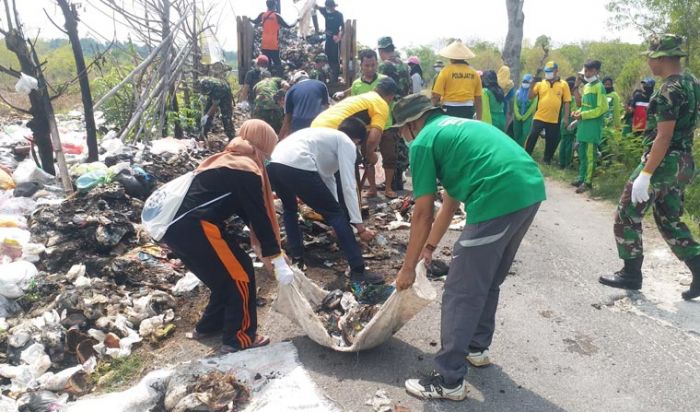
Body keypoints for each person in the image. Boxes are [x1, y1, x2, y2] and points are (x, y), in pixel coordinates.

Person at [390, 94, 546, 401]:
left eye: (400, 131)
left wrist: (407, 269)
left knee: (461, 290)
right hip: (529, 190)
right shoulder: (455, 128)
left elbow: (422, 212)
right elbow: (449, 202)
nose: (402, 137)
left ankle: (449, 381)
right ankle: (476, 347)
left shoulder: (422, 142)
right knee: (487, 279)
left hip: (498, 197)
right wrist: (429, 247)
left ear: (410, 125)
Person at [160, 120, 294, 354]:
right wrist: (277, 257)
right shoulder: (245, 169)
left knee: (224, 277)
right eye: (268, 152)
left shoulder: (225, 159)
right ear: (262, 145)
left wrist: (272, 250)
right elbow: (258, 216)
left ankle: (210, 326)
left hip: (174, 229)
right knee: (240, 274)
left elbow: (246, 212)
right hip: (197, 226)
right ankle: (239, 337)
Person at [600, 34, 700, 301]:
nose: (649, 61)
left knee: (626, 210)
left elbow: (663, 137)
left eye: (652, 57)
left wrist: (645, 174)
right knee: (669, 219)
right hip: (683, 162)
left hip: (663, 161)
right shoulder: (691, 82)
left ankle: (631, 273)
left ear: (663, 58)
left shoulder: (668, 90)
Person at [269, 118, 384, 284]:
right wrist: (359, 227)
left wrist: (334, 221)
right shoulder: (347, 142)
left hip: (274, 164)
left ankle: (297, 256)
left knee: (290, 208)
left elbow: (328, 179)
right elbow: (348, 185)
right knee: (337, 214)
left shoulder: (324, 138)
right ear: (358, 140)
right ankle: (358, 270)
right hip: (297, 164)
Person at [311, 77, 399, 198]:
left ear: (375, 88)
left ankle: (336, 202)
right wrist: (370, 154)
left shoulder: (364, 98)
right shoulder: (381, 104)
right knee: (352, 163)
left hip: (315, 127)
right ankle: (353, 202)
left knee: (331, 172)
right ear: (391, 96)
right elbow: (374, 138)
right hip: (333, 131)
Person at [377, 36, 411, 198]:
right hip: (404, 107)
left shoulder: (385, 66)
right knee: (400, 140)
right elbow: (410, 88)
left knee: (389, 142)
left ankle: (392, 180)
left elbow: (381, 88)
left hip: (390, 107)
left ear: (381, 50)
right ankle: (398, 177)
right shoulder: (404, 65)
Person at [570, 60, 608, 193]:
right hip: (583, 127)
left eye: (590, 71)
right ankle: (581, 178)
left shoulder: (599, 87)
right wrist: (577, 113)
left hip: (592, 128)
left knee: (591, 156)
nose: (586, 73)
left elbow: (602, 109)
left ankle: (588, 182)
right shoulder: (586, 87)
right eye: (585, 71)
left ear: (597, 71)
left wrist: (583, 115)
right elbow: (584, 106)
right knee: (582, 154)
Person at [525, 61, 572, 164]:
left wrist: (566, 117)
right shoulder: (540, 83)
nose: (548, 73)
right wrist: (532, 82)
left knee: (551, 140)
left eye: (550, 71)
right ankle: (526, 156)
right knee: (532, 136)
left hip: (554, 118)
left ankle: (547, 159)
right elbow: (530, 96)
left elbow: (567, 102)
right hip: (539, 116)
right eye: (546, 71)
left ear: (556, 71)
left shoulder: (563, 84)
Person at [432, 40, 482, 120]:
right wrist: (479, 119)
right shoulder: (474, 73)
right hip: (468, 109)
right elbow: (478, 98)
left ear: (451, 57)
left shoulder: (445, 71)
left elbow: (436, 95)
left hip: (449, 109)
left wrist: (430, 111)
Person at [278, 70, 329, 138]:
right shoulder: (321, 85)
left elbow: (287, 120)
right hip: (318, 124)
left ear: (295, 81)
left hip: (299, 128)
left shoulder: (291, 91)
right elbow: (326, 108)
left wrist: (280, 138)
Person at [252, 0, 296, 76]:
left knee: (267, 63)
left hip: (264, 44)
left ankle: (268, 78)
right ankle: (279, 78)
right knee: (277, 63)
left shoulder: (263, 15)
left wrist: (249, 18)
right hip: (273, 44)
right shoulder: (277, 16)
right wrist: (297, 20)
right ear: (274, 5)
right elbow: (289, 26)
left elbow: (254, 21)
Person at [315, 0, 344, 82]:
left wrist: (339, 36)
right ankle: (326, 76)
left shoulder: (339, 15)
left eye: (330, 7)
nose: (329, 9)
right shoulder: (325, 11)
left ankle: (335, 77)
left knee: (334, 58)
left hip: (335, 39)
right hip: (328, 38)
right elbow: (316, 7)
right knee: (327, 56)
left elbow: (343, 27)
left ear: (333, 7)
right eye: (327, 7)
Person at [513, 74, 538, 146]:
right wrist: (518, 115)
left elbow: (532, 107)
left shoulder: (533, 94)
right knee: (517, 134)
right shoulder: (518, 93)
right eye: (524, 81)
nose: (525, 83)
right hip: (517, 118)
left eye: (527, 82)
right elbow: (515, 105)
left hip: (527, 118)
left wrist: (525, 116)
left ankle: (522, 149)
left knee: (525, 134)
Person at [559, 76, 578, 169]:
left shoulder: (562, 99)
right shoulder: (572, 99)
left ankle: (561, 162)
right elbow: (574, 111)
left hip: (562, 123)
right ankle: (567, 163)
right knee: (569, 144)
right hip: (570, 122)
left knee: (563, 142)